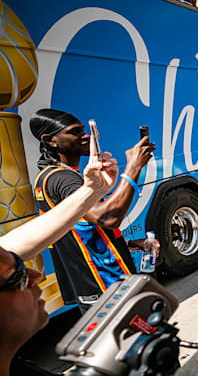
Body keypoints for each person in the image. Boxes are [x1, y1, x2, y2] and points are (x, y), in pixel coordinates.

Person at [0, 151, 119, 376]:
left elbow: (12, 246)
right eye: (18, 276)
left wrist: (92, 189)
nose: (36, 275)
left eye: (22, 262)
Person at [29, 109, 155, 311]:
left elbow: (81, 228)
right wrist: (133, 168)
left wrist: (131, 243)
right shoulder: (63, 179)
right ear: (50, 140)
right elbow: (107, 218)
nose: (86, 135)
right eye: (75, 132)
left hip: (93, 286)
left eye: (84, 130)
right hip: (104, 284)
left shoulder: (45, 177)